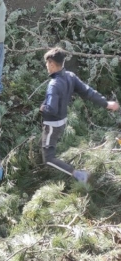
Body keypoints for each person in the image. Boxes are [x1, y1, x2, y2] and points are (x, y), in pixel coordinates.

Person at [39, 48, 119, 183]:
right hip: (62, 121)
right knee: (45, 144)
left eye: (47, 64)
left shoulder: (53, 84)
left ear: (51, 63)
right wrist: (106, 103)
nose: (46, 66)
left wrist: (42, 108)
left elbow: (51, 109)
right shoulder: (70, 76)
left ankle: (78, 174)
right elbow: (88, 92)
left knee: (48, 158)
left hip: (52, 125)